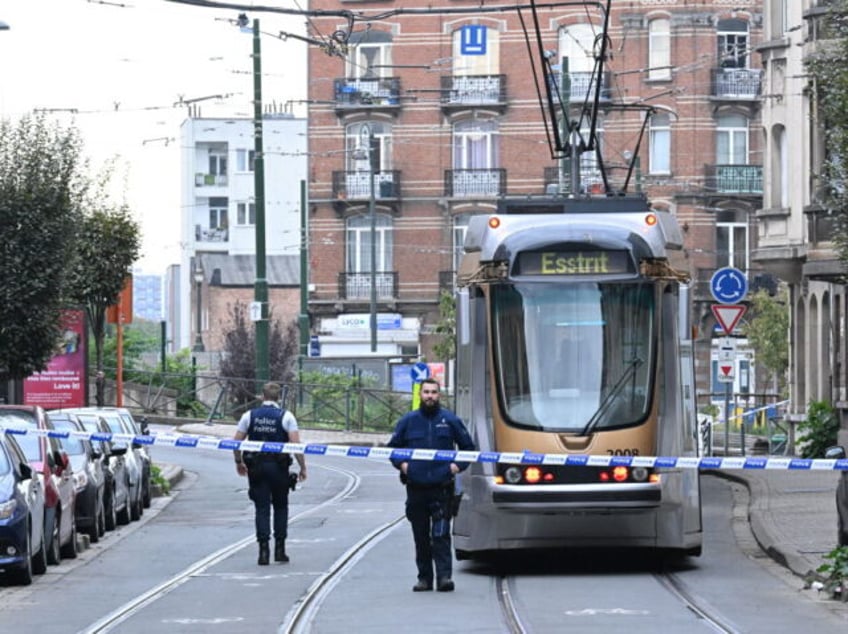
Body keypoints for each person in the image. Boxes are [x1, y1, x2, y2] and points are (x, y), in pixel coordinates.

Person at [387, 377, 475, 592]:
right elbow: (393, 449)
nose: (430, 396)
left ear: (439, 395)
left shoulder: (450, 420)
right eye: (426, 392)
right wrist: (404, 466)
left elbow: (469, 449)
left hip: (441, 487)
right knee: (420, 535)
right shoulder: (408, 421)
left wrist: (456, 467)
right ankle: (424, 578)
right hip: (416, 488)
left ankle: (444, 577)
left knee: (441, 534)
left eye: (434, 392)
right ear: (420, 395)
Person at [233, 382, 306, 565]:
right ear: (278, 398)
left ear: (262, 397)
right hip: (279, 468)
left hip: (256, 468)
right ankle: (280, 550)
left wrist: (239, 462)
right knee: (281, 507)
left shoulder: (249, 415)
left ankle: (263, 552)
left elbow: (236, 442)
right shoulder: (287, 416)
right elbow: (296, 445)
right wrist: (303, 466)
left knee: (262, 508)